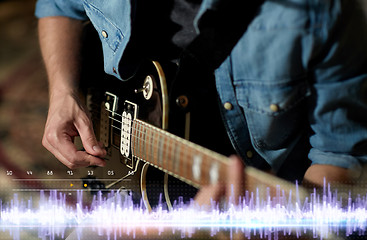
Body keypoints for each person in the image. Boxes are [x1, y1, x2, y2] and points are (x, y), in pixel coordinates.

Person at [35, 0, 367, 207]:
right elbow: (58, 6)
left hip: (251, 199)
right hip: (129, 187)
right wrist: (62, 90)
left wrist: (287, 223)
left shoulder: (320, 10)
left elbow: (340, 154)